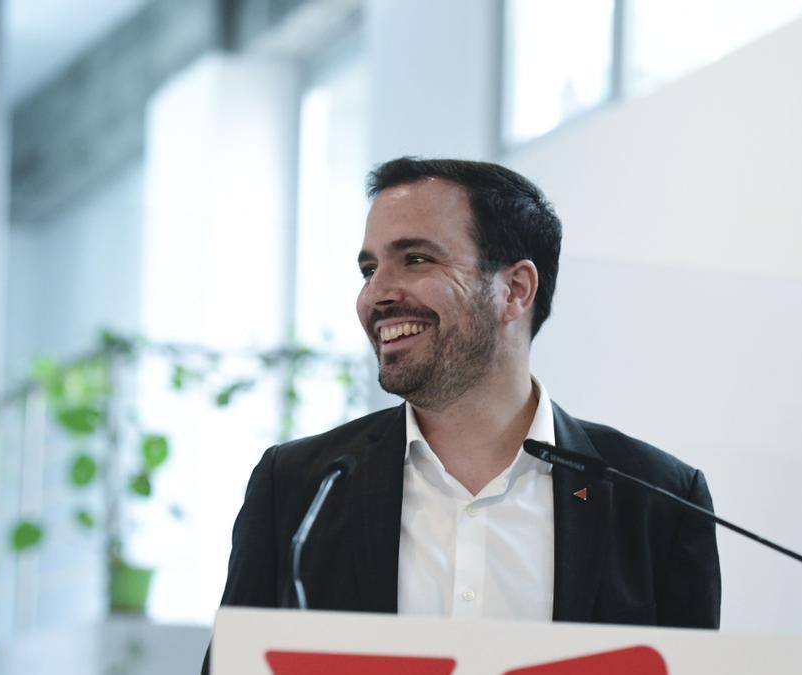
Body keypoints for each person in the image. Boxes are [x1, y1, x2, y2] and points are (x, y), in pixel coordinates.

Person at [202, 157, 719, 672]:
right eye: (369, 268)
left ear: (515, 290)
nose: (376, 294)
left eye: (417, 260)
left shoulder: (658, 499)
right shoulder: (301, 487)